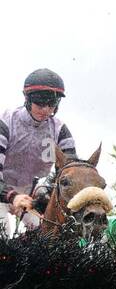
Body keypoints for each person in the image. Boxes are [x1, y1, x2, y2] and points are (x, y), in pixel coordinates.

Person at [1, 69, 78, 233]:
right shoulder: (6, 121)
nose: (46, 110)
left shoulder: (60, 130)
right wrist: (12, 196)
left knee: (45, 237)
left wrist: (45, 193)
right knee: (3, 232)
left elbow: (69, 175)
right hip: (3, 188)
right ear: (27, 100)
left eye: (52, 105)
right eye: (40, 104)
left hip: (32, 196)